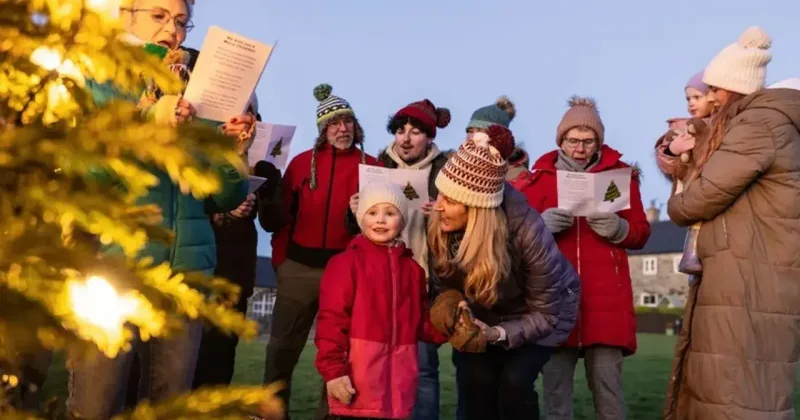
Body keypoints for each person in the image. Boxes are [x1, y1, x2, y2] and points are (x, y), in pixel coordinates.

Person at [67, 1, 251, 418]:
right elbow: (89, 176)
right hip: (113, 267)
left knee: (169, 405)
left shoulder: (196, 90)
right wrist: (149, 122)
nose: (173, 29)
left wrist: (230, 151)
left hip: (187, 271)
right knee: (96, 403)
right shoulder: (102, 78)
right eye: (159, 16)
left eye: (182, 21)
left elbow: (225, 197)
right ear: (126, 15)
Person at [664, 26, 800, 419]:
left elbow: (699, 199)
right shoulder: (776, 125)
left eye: (714, 90)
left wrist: (677, 200)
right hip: (757, 277)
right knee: (753, 386)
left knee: (732, 393)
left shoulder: (758, 126)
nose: (708, 98)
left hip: (744, 280)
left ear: (731, 89)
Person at [428, 125, 580, 420]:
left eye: (450, 201)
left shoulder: (528, 232)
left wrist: (497, 333)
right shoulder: (443, 225)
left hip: (541, 314)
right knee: (476, 381)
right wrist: (452, 305)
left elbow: (545, 314)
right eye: (440, 195)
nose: (439, 207)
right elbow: (440, 283)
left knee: (514, 384)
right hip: (484, 312)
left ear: (476, 209)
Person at [515, 96, 650, 420]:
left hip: (606, 302)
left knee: (608, 395)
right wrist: (540, 225)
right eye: (573, 140)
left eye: (588, 141)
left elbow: (641, 232)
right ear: (560, 140)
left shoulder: (621, 178)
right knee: (556, 397)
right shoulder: (539, 179)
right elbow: (516, 238)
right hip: (554, 300)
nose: (580, 148)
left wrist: (620, 229)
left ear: (598, 141)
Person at [262, 84, 378, 419]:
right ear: (322, 130)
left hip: (345, 274)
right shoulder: (300, 164)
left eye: (348, 122)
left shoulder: (371, 166)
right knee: (281, 349)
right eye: (334, 123)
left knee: (341, 354)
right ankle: (271, 412)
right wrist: (282, 262)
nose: (342, 129)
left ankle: (332, 415)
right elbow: (281, 218)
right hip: (298, 267)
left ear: (356, 126)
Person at [344, 98, 451, 420]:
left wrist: (444, 217)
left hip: (426, 279)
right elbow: (357, 230)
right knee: (373, 364)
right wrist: (354, 212)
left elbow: (463, 231)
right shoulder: (378, 167)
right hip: (380, 281)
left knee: (424, 367)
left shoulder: (444, 172)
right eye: (400, 130)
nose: (405, 138)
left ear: (429, 137)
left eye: (415, 132)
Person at [316, 183, 446, 420]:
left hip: (399, 388)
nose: (381, 220)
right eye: (372, 212)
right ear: (361, 218)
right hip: (357, 385)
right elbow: (331, 322)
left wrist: (449, 325)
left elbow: (421, 323)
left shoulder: (413, 270)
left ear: (402, 221)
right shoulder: (345, 263)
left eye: (390, 213)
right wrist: (333, 372)